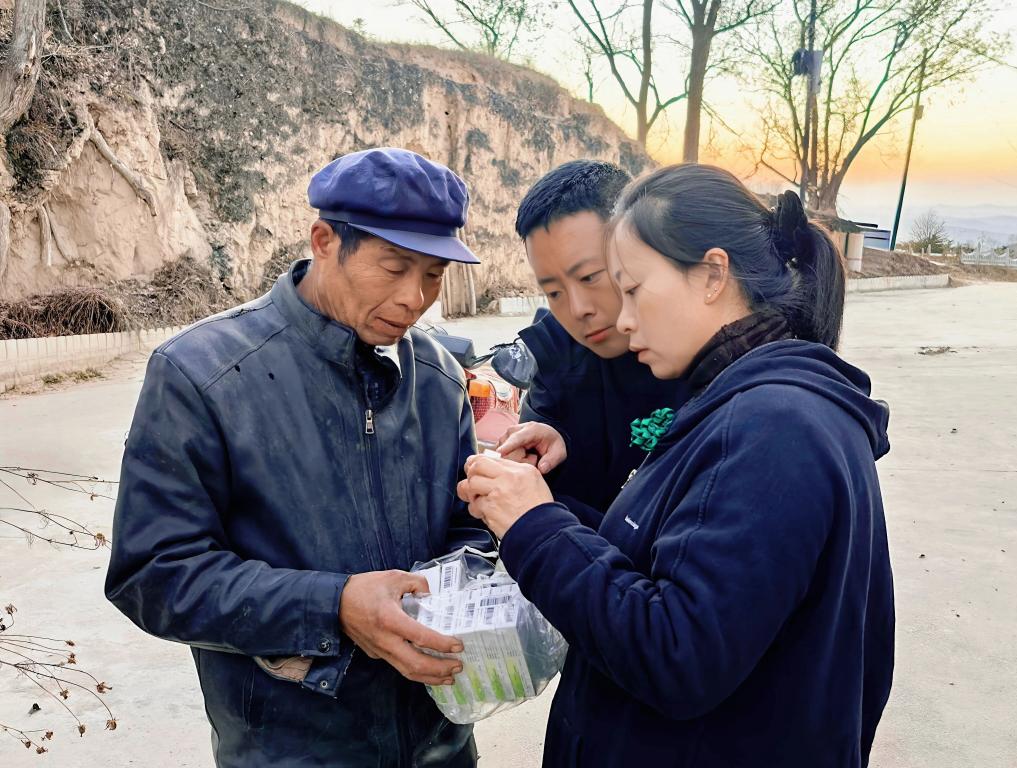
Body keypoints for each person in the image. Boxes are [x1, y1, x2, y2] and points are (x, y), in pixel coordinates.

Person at [459, 164, 895, 767]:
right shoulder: (734, 403)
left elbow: (677, 654)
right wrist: (539, 501)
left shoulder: (774, 426)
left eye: (631, 288)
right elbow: (670, 562)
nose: (619, 317)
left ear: (713, 274)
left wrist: (536, 526)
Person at [105, 147, 495, 767]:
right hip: (287, 751)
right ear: (324, 241)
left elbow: (466, 532)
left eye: (433, 274)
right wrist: (333, 607)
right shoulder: (202, 375)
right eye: (394, 267)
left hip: (440, 747)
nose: (415, 297)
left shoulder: (440, 376)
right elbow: (153, 574)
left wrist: (467, 585)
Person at [498, 160, 687, 515]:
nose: (578, 309)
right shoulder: (555, 361)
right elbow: (535, 500)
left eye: (589, 277)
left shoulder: (709, 358)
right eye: (553, 292)